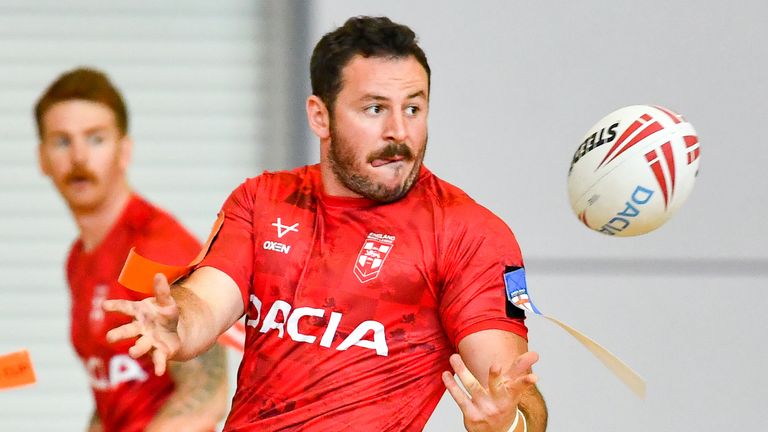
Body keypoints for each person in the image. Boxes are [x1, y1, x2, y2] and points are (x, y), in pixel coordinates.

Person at [105, 16, 548, 432]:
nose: (399, 131)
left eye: (413, 108)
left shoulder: (467, 232)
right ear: (321, 116)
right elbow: (207, 301)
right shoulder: (264, 199)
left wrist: (507, 423)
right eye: (375, 109)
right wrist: (178, 322)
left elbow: (514, 394)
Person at [35, 67, 229, 432]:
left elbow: (207, 396)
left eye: (95, 139)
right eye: (62, 141)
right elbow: (113, 395)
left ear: (124, 151)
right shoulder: (79, 259)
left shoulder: (153, 249)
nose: (78, 158)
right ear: (42, 158)